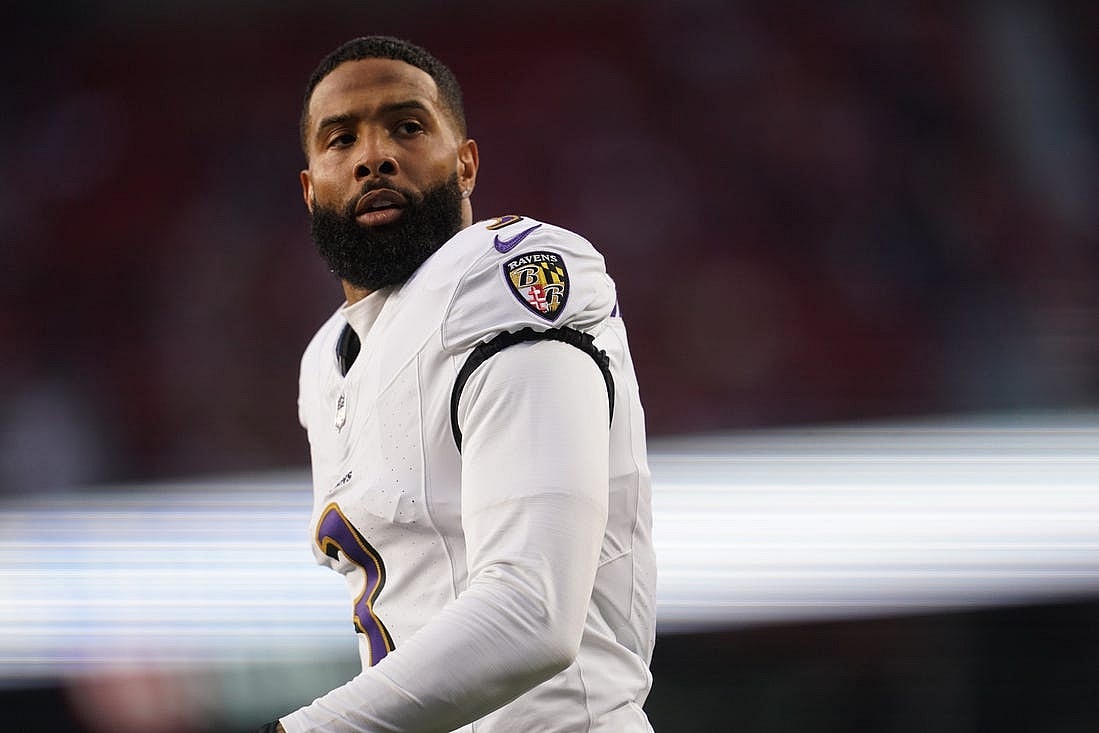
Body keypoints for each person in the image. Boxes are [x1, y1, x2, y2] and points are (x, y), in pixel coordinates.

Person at [262, 36, 656, 733]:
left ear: (466, 163)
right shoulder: (326, 362)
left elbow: (532, 612)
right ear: (309, 187)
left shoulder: (501, 275)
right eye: (341, 139)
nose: (373, 156)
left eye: (407, 127)